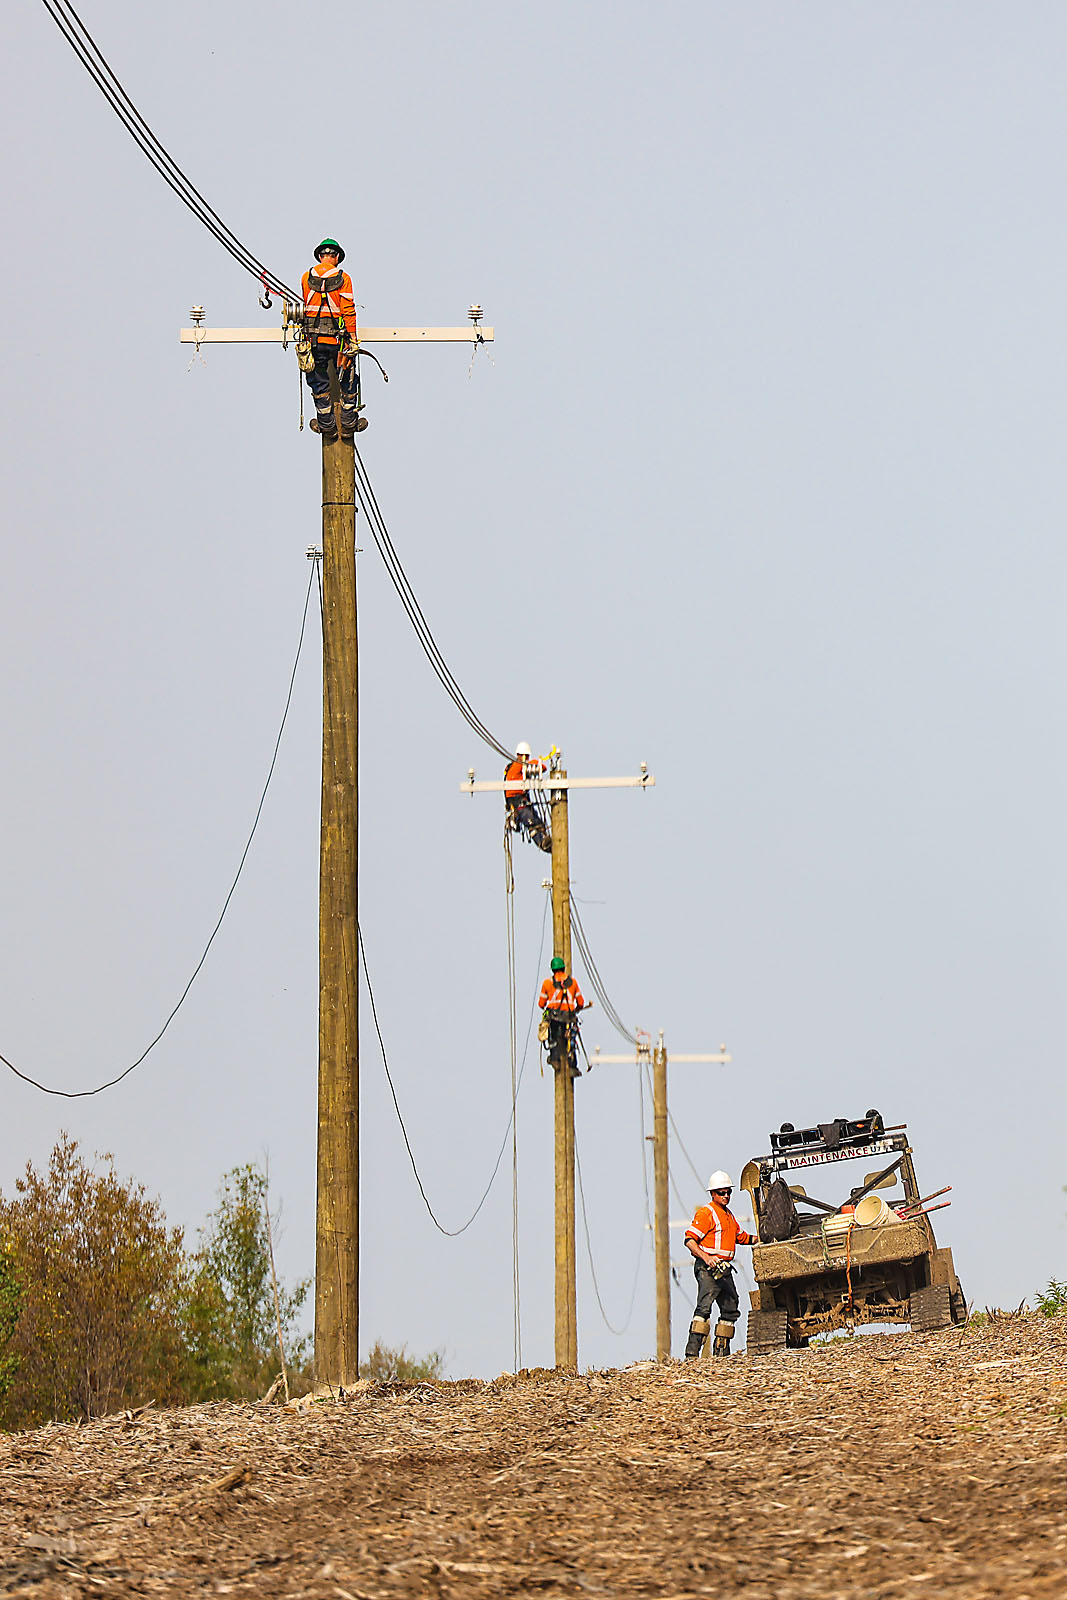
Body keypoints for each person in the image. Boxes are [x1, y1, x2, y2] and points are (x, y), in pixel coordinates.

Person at [683, 1171, 757, 1359]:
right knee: (704, 1307)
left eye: (728, 1193)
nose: (726, 1196)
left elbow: (740, 1237)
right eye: (722, 1193)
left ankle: (722, 1352)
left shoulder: (728, 1215)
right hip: (708, 1268)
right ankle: (692, 1354)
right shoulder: (706, 1213)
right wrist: (707, 1258)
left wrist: (761, 1238)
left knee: (731, 1306)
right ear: (713, 1194)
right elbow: (690, 1241)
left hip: (723, 1268)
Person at [301, 238, 367, 442]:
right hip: (339, 342)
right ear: (337, 257)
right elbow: (347, 309)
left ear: (320, 256)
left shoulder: (306, 277)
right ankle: (347, 424)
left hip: (314, 339)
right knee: (348, 377)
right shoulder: (343, 278)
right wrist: (353, 338)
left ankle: (326, 425)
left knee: (318, 380)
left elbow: (306, 306)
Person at [538, 956, 592, 1076]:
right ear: (563, 967)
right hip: (569, 1017)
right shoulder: (573, 983)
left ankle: (555, 1059)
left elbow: (541, 1004)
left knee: (554, 1038)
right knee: (570, 1039)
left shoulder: (547, 983)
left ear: (552, 970)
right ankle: (572, 1065)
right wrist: (575, 1010)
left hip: (554, 1017)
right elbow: (581, 1002)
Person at [503, 741, 551, 852]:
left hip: (519, 803)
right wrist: (535, 762)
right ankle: (542, 843)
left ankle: (546, 843)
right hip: (518, 803)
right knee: (533, 823)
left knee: (537, 821)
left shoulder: (511, 767)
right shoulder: (520, 766)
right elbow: (542, 767)